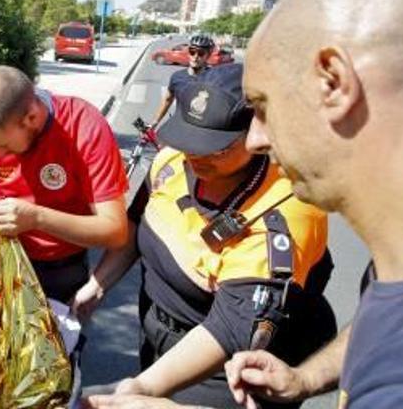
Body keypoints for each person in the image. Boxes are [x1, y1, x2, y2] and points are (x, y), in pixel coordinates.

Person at [221, 0, 403, 409]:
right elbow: (390, 314)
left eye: (262, 106)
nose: (255, 139)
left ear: (333, 82)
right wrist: (305, 377)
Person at [80, 64, 336, 409]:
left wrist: (141, 386)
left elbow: (229, 328)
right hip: (158, 332)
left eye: (216, 149)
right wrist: (98, 284)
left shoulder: (286, 212)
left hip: (221, 367)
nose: (196, 157)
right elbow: (139, 220)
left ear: (258, 132)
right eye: (189, 141)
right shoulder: (172, 161)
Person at [0, 65, 129, 404]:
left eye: (1, 147)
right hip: (3, 262)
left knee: (48, 375)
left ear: (31, 117)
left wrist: (37, 218)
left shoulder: (83, 128)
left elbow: (115, 230)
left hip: (61, 273)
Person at [150, 34, 215, 129]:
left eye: (201, 53)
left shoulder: (214, 77)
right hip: (179, 126)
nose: (195, 57)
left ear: (208, 56)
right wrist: (154, 123)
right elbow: (168, 100)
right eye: (192, 52)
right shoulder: (177, 77)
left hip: (201, 130)